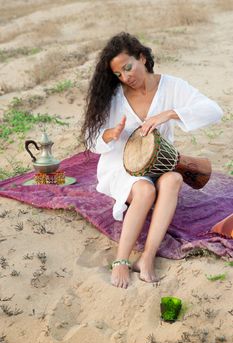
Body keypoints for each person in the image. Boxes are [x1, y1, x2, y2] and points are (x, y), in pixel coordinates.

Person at [81, 32, 223, 289]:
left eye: (128, 67)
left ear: (142, 58)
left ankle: (146, 258)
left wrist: (170, 114)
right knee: (145, 190)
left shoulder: (172, 86)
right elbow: (92, 140)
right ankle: (121, 260)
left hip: (157, 163)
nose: (126, 77)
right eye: (119, 74)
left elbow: (214, 111)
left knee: (174, 179)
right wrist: (110, 134)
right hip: (122, 165)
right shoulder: (114, 97)